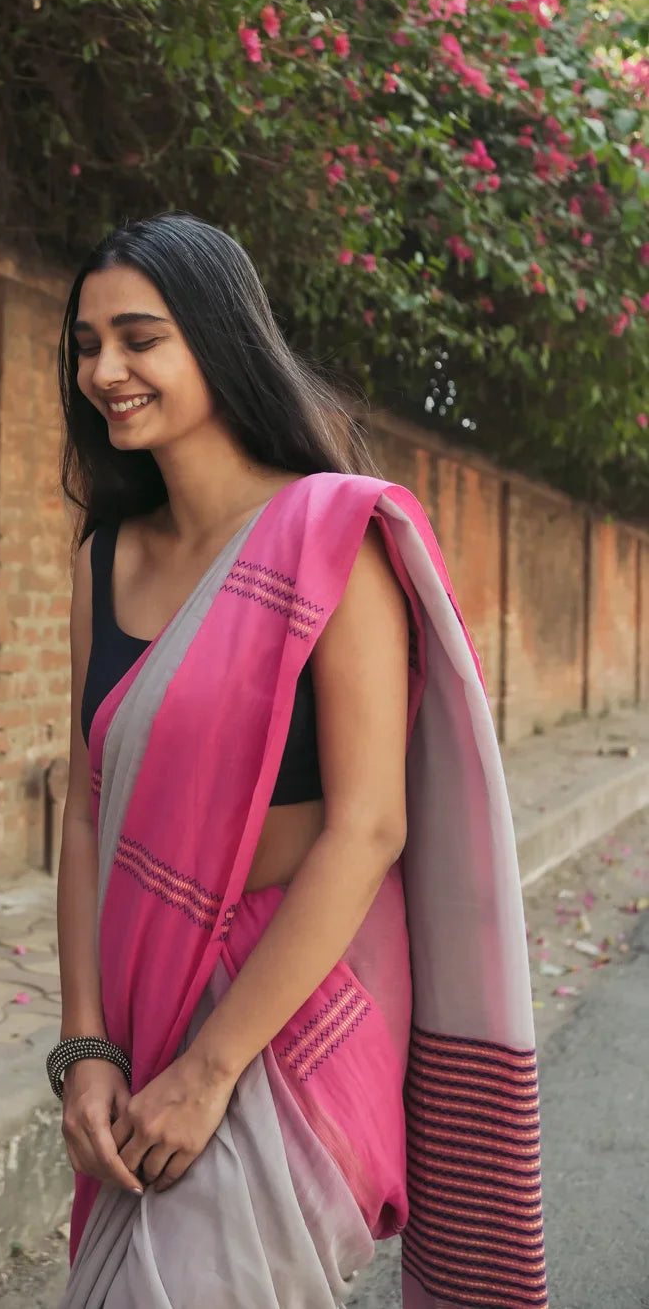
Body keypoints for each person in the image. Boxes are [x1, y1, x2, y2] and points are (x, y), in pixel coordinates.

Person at [49, 214, 547, 1309]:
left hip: (287, 1018)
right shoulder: (106, 561)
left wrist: (212, 1068)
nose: (105, 371)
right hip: (141, 1017)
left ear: (219, 341)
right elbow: (87, 808)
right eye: (86, 345)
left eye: (140, 338)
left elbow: (368, 826)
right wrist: (84, 1048)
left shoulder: (330, 536)